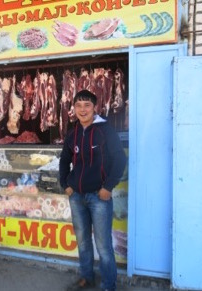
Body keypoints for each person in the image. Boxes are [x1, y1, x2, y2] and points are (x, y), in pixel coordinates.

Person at [59, 90, 127, 291]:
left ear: (94, 107)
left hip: (99, 197)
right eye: (78, 105)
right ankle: (87, 277)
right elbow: (64, 159)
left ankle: (109, 285)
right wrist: (66, 184)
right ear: (74, 108)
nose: (82, 109)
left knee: (104, 245)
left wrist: (108, 187)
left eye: (87, 105)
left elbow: (120, 159)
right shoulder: (73, 133)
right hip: (77, 196)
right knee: (83, 242)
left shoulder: (105, 130)